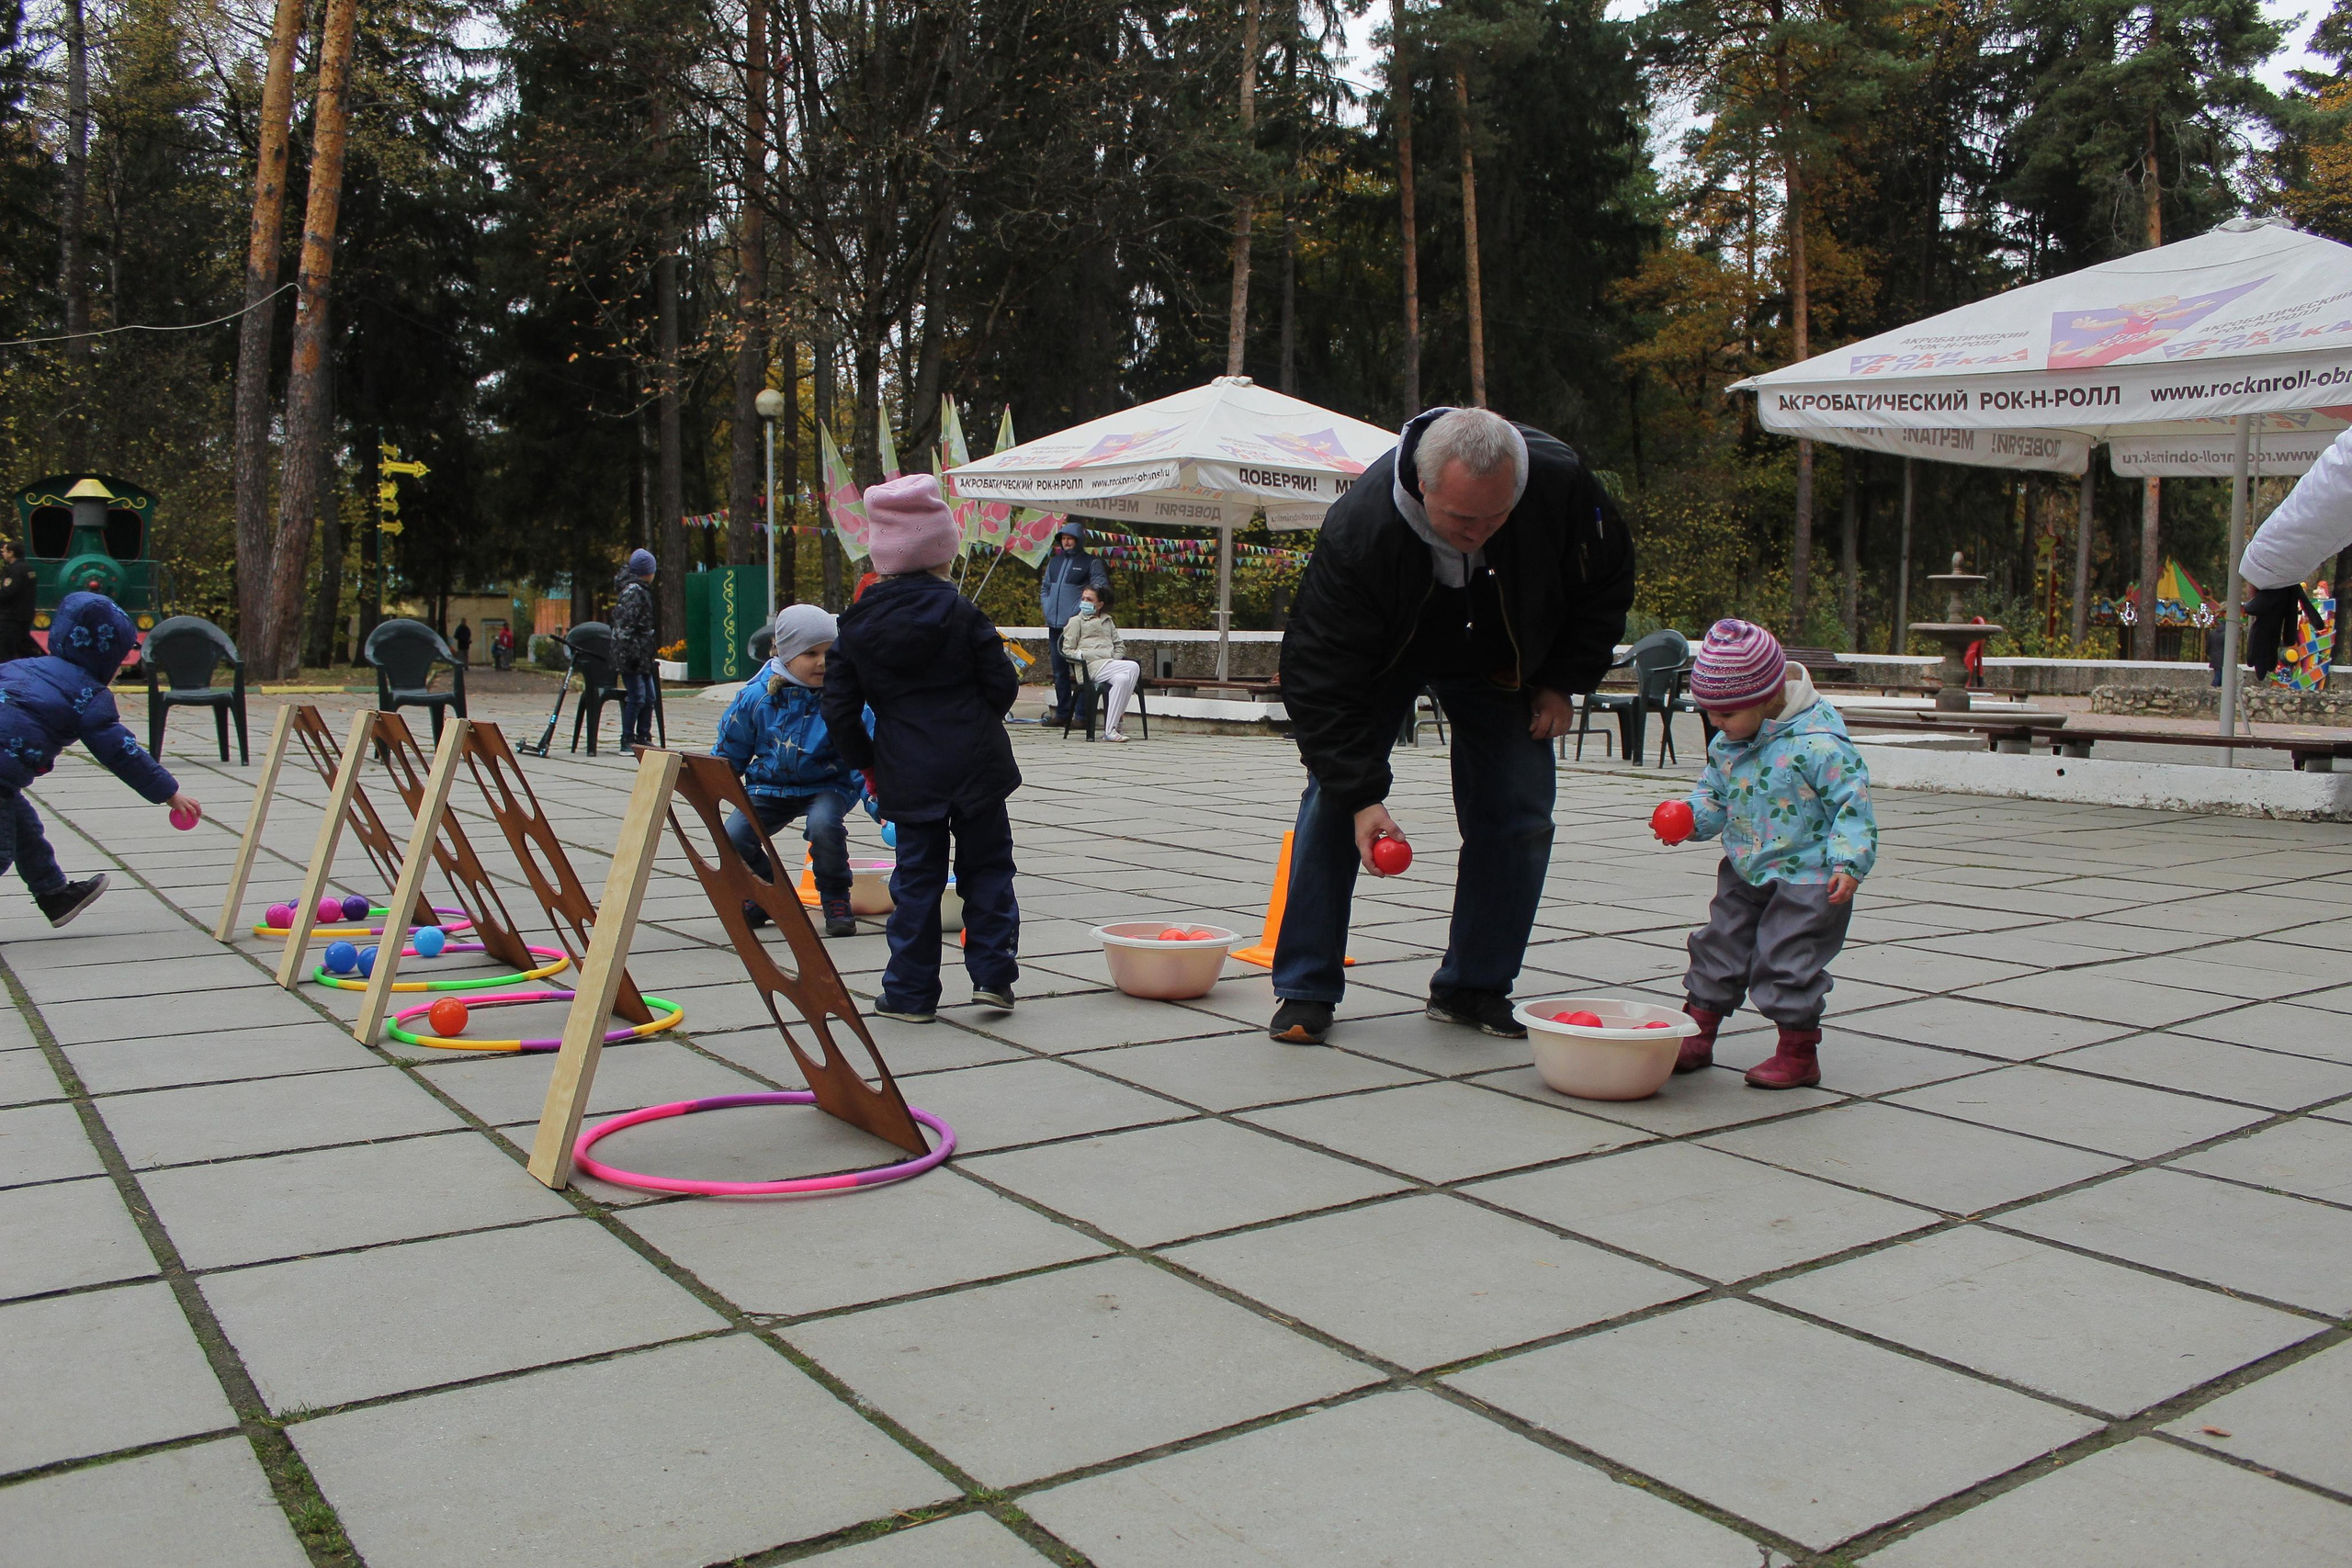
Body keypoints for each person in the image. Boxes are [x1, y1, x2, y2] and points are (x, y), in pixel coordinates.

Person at [1269, 406, 1634, 1046]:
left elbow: (1604, 582)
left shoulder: (1559, 482)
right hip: (1386, 652)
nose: (1479, 532)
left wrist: (1561, 679)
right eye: (1463, 519)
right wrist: (1363, 797)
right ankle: (1306, 986)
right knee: (1333, 801)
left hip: (1499, 648)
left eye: (1497, 517)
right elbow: (1319, 673)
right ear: (1422, 484)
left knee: (1519, 811)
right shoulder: (1361, 528)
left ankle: (1474, 986)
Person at [824, 472, 1021, 1022]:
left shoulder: (854, 627)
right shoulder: (963, 613)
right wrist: (975, 722)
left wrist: (867, 762)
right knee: (989, 869)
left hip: (906, 767)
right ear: (943, 553)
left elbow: (838, 711)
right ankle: (993, 978)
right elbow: (1002, 683)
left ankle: (910, 994)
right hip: (977, 764)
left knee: (916, 880)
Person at [1663, 620, 1877, 1090]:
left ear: (1766, 697)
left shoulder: (1820, 745)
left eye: (1725, 713)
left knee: (1788, 957)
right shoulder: (1730, 744)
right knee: (1719, 944)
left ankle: (1799, 1054)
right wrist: (1690, 817)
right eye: (1708, 712)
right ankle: (1696, 1034)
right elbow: (1714, 795)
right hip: (1746, 868)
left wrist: (1849, 863)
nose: (1715, 723)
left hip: (1810, 878)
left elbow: (1852, 805)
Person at [0, 592, 201, 927]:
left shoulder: (19, 666)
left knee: (23, 826)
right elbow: (121, 752)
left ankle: (53, 894)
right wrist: (169, 792)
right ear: (106, 657)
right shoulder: (87, 695)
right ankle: (52, 893)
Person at [714, 604, 862, 938]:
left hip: (827, 785)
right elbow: (731, 748)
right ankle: (768, 894)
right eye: (811, 653)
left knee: (824, 827)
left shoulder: (843, 697)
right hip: (769, 786)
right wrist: (714, 783)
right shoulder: (757, 696)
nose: (823, 662)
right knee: (733, 835)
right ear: (785, 654)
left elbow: (864, 751)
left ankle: (836, 898)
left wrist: (881, 802)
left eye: (830, 652)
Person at [1038, 520, 1108, 723]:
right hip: (1055, 625)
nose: (1066, 542)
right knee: (1059, 672)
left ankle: (1082, 715)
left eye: (1071, 538)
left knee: (1082, 671)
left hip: (1079, 626)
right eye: (1064, 538)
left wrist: (1080, 613)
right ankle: (1062, 714)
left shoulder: (1091, 563)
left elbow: (1099, 589)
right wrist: (1047, 607)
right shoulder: (1055, 562)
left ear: (1079, 540)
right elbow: (1045, 588)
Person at [1057, 584, 1142, 740]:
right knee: (1133, 667)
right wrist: (1085, 655)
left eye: (1089, 599)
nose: (1084, 602)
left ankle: (1110, 730)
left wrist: (1114, 661)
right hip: (1089, 668)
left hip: (1109, 665)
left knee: (1123, 679)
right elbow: (1067, 650)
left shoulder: (1107, 621)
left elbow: (1120, 646)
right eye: (1083, 598)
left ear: (1100, 604)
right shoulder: (1076, 621)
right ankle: (1118, 720)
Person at [610, 549, 660, 748]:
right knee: (637, 697)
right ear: (648, 572)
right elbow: (625, 627)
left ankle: (643, 736)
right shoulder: (633, 592)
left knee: (650, 697)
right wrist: (631, 655)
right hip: (631, 656)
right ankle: (628, 738)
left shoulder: (640, 590)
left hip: (642, 655)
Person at [0, 540, 35, 661]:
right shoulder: (29, 568)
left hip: (11, 617)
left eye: (4, 551)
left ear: (11, 553)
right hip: (25, 615)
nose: (3, 554)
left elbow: (8, 591)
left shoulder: (15, 570)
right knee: (23, 649)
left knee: (4, 650)